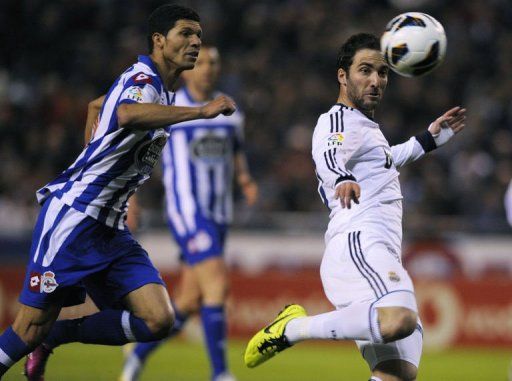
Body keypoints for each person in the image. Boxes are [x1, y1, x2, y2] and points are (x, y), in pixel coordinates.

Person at [0, 4, 237, 380]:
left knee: (158, 319)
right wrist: (201, 112)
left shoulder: (161, 89)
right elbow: (126, 113)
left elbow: (102, 106)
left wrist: (100, 136)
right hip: (74, 220)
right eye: (186, 33)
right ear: (159, 40)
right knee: (27, 327)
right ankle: (40, 337)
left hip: (110, 230)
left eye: (199, 36)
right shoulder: (144, 78)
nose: (195, 42)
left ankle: (56, 335)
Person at [243, 33, 466, 381]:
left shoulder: (366, 129)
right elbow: (329, 152)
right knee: (399, 318)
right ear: (343, 76)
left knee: (397, 370)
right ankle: (292, 329)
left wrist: (428, 138)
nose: (376, 80)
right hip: (359, 243)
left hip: (377, 248)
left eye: (382, 72)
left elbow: (388, 159)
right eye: (365, 70)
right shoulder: (338, 120)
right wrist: (341, 177)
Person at [119, 45, 258, 381]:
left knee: (191, 299)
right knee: (217, 284)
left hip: (219, 214)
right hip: (187, 211)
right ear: (190, 68)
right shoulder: (171, 107)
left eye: (215, 61)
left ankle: (138, 355)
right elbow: (138, 151)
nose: (208, 67)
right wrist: (131, 197)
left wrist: (244, 178)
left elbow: (236, 150)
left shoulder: (230, 109)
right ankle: (220, 373)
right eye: (203, 62)